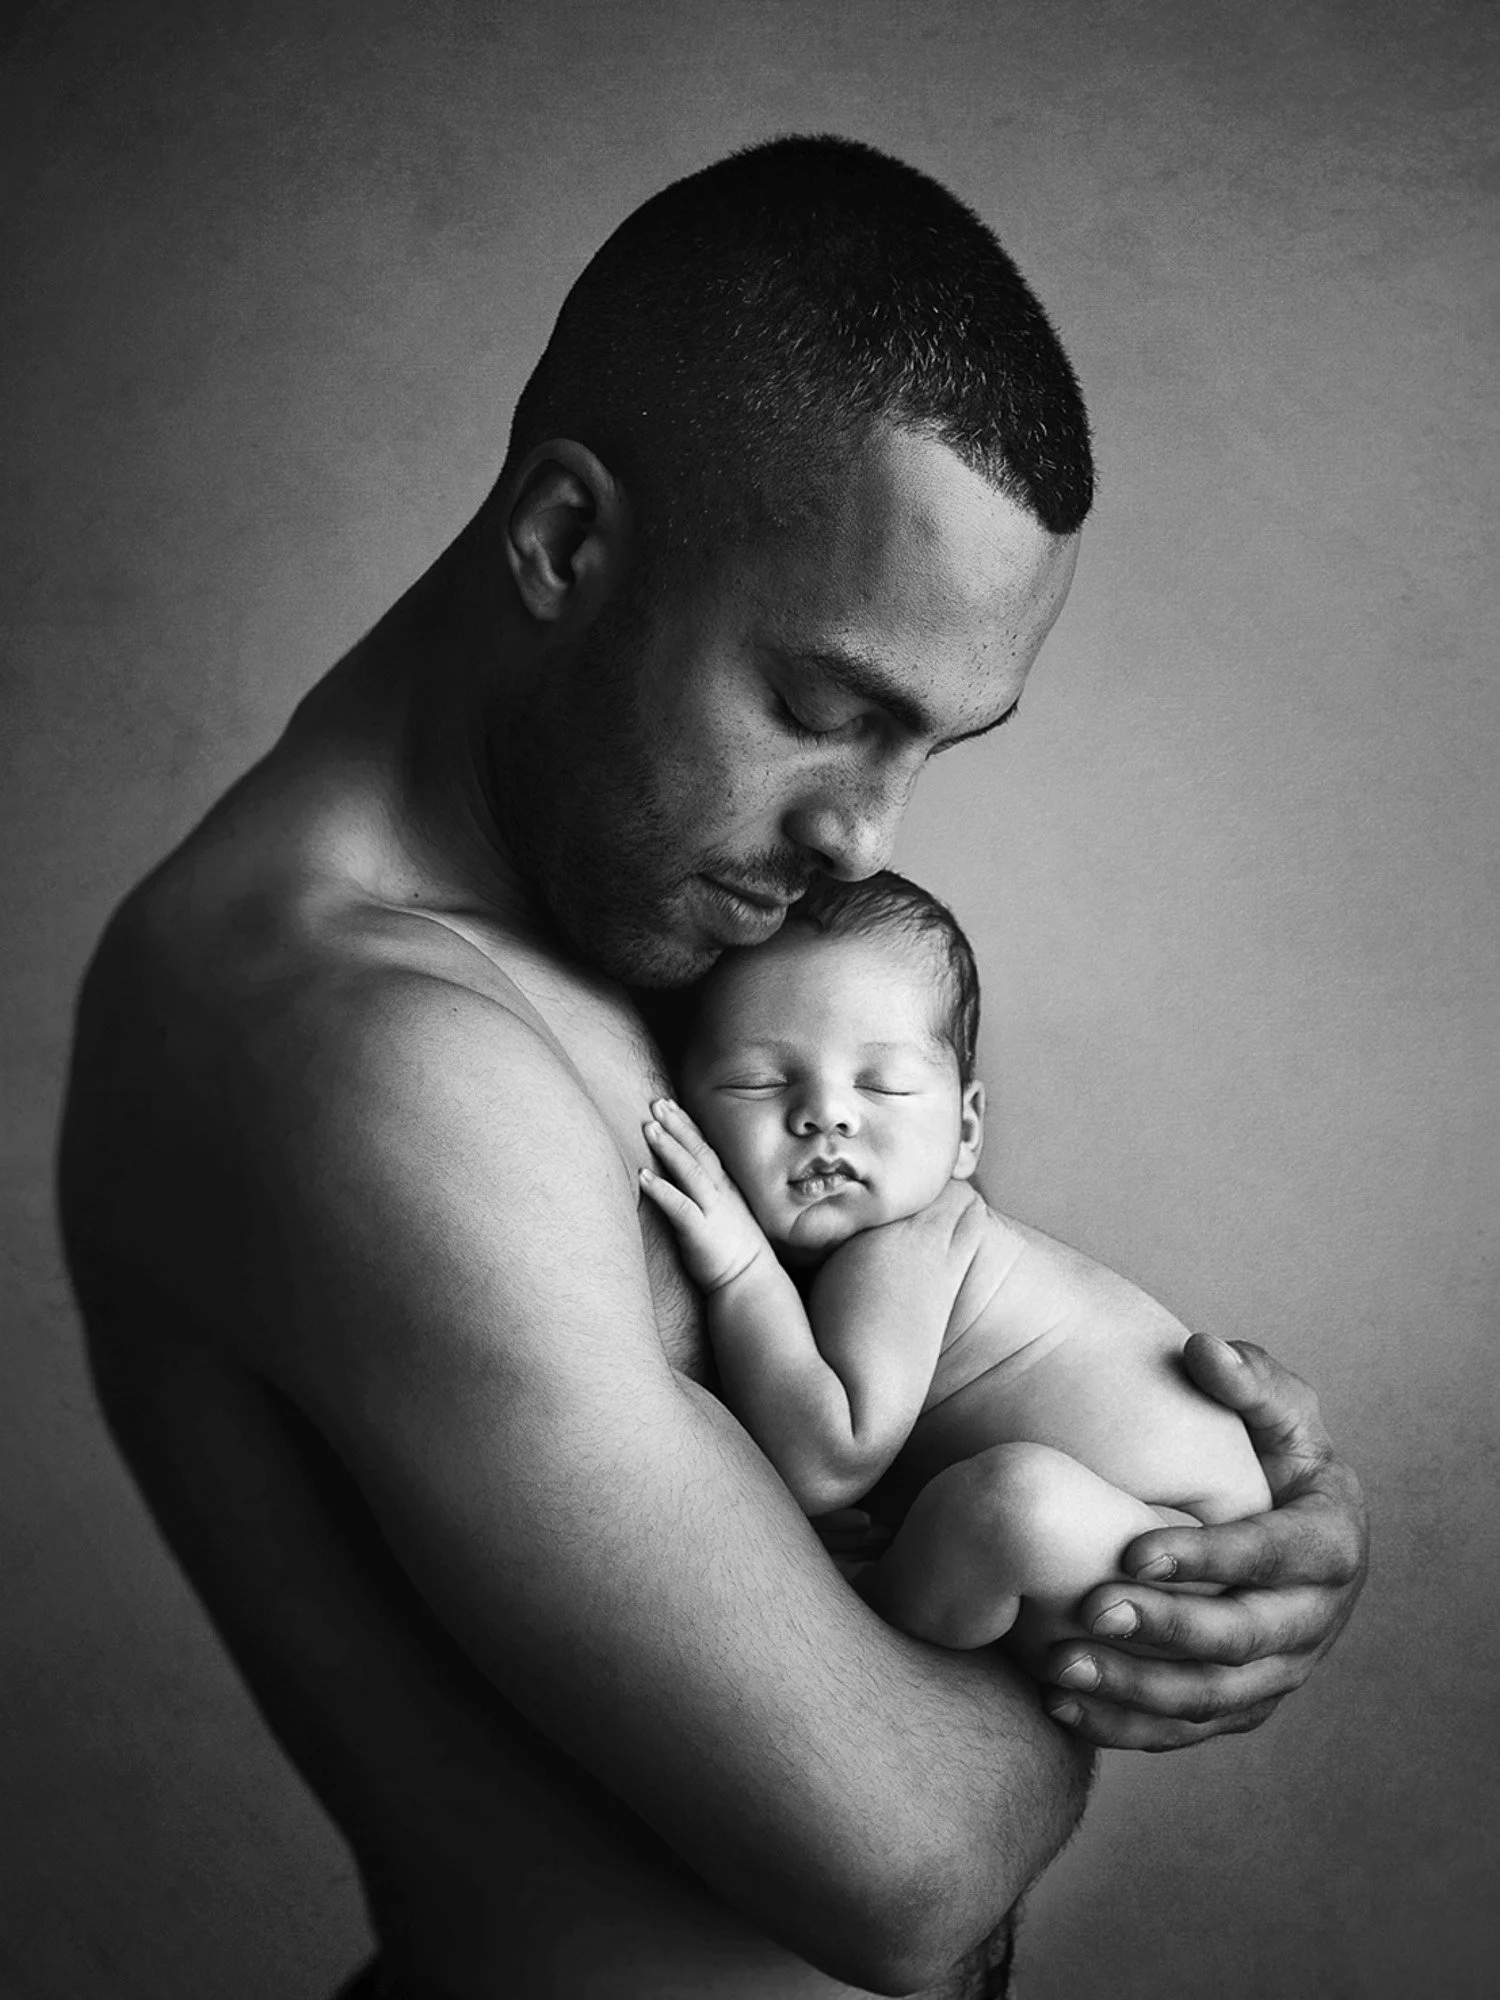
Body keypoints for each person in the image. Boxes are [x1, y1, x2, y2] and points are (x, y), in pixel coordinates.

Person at [58, 136, 1366, 2000]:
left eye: (935, 749)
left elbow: (935, 1386)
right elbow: (902, 1867)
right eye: (826, 711)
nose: (863, 837)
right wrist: (1086, 1622)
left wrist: (1199, 1532)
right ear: (568, 542)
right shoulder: (355, 1044)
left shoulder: (639, 915)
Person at [640, 869, 1273, 1654]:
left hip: (1175, 1544)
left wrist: (740, 1270)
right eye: (760, 1081)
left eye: (885, 1085)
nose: (827, 1114)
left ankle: (867, 1608)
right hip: (1138, 1540)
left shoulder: (905, 1248)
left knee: (1008, 1506)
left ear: (967, 1129)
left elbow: (825, 1459)